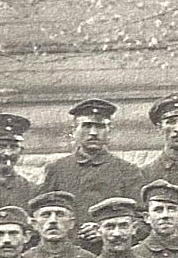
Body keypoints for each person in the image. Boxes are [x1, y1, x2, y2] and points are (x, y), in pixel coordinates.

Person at [39, 98, 146, 243]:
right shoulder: (57, 169)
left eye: (100, 127)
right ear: (73, 131)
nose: (94, 133)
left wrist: (106, 231)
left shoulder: (128, 171)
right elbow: (41, 215)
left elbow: (141, 221)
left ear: (109, 131)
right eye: (86, 126)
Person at [25, 190, 95, 258]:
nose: (53, 220)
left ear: (71, 223)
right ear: (34, 224)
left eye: (60, 214)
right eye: (46, 215)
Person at [134, 179, 178, 258]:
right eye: (158, 210)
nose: (165, 215)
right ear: (147, 217)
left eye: (172, 209)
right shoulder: (134, 254)